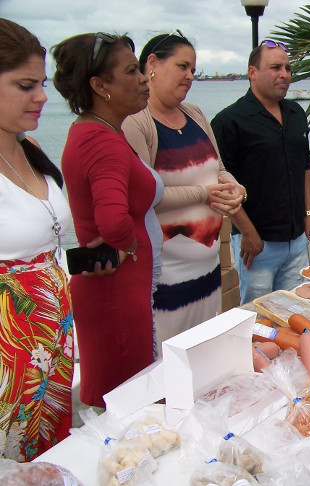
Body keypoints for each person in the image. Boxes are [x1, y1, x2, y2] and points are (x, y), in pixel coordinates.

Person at [53, 32, 163, 408]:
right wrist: (128, 246)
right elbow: (113, 221)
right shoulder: (101, 141)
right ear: (99, 85)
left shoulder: (94, 131)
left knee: (125, 396)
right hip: (117, 294)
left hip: (118, 290)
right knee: (127, 402)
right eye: (132, 71)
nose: (144, 79)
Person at [122, 31, 246, 353]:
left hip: (206, 268)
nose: (191, 76)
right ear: (152, 64)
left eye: (193, 69)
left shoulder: (195, 114)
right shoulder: (136, 123)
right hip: (167, 276)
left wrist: (236, 188)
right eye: (183, 66)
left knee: (206, 354)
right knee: (172, 361)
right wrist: (204, 195)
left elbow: (218, 168)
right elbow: (144, 196)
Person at [0, 18, 74, 461]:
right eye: (26, 85)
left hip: (52, 342)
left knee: (44, 458)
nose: (43, 96)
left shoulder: (29, 151)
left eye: (43, 83)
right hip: (9, 353)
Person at [211, 40, 310, 304]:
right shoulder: (229, 121)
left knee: (296, 310)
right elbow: (223, 184)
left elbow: (304, 166)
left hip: (296, 241)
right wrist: (247, 233)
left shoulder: (296, 113)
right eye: (275, 67)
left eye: (287, 68)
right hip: (257, 245)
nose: (284, 74)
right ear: (252, 72)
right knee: (260, 318)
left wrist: (308, 214)